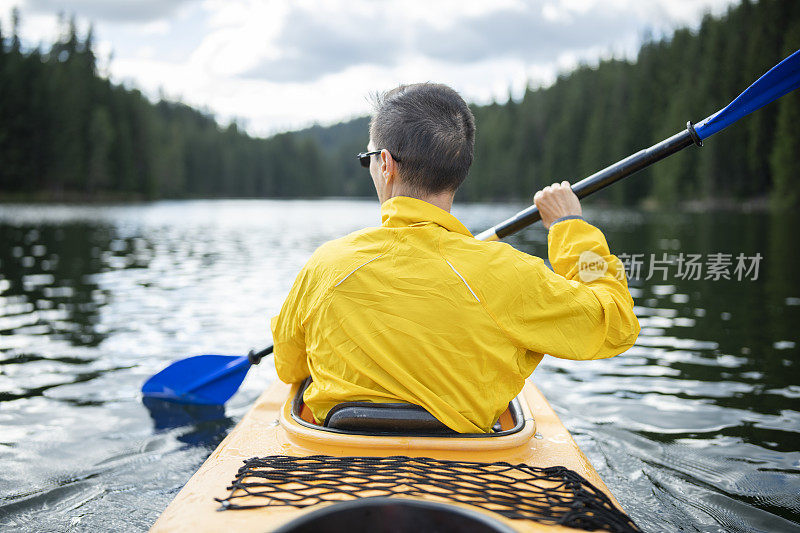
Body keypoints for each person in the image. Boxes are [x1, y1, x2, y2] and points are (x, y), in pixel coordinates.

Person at [271, 83, 639, 433]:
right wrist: (571, 227)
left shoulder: (324, 267)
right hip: (461, 482)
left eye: (367, 158)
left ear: (385, 164)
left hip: (341, 472)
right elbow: (617, 320)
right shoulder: (509, 273)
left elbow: (289, 367)